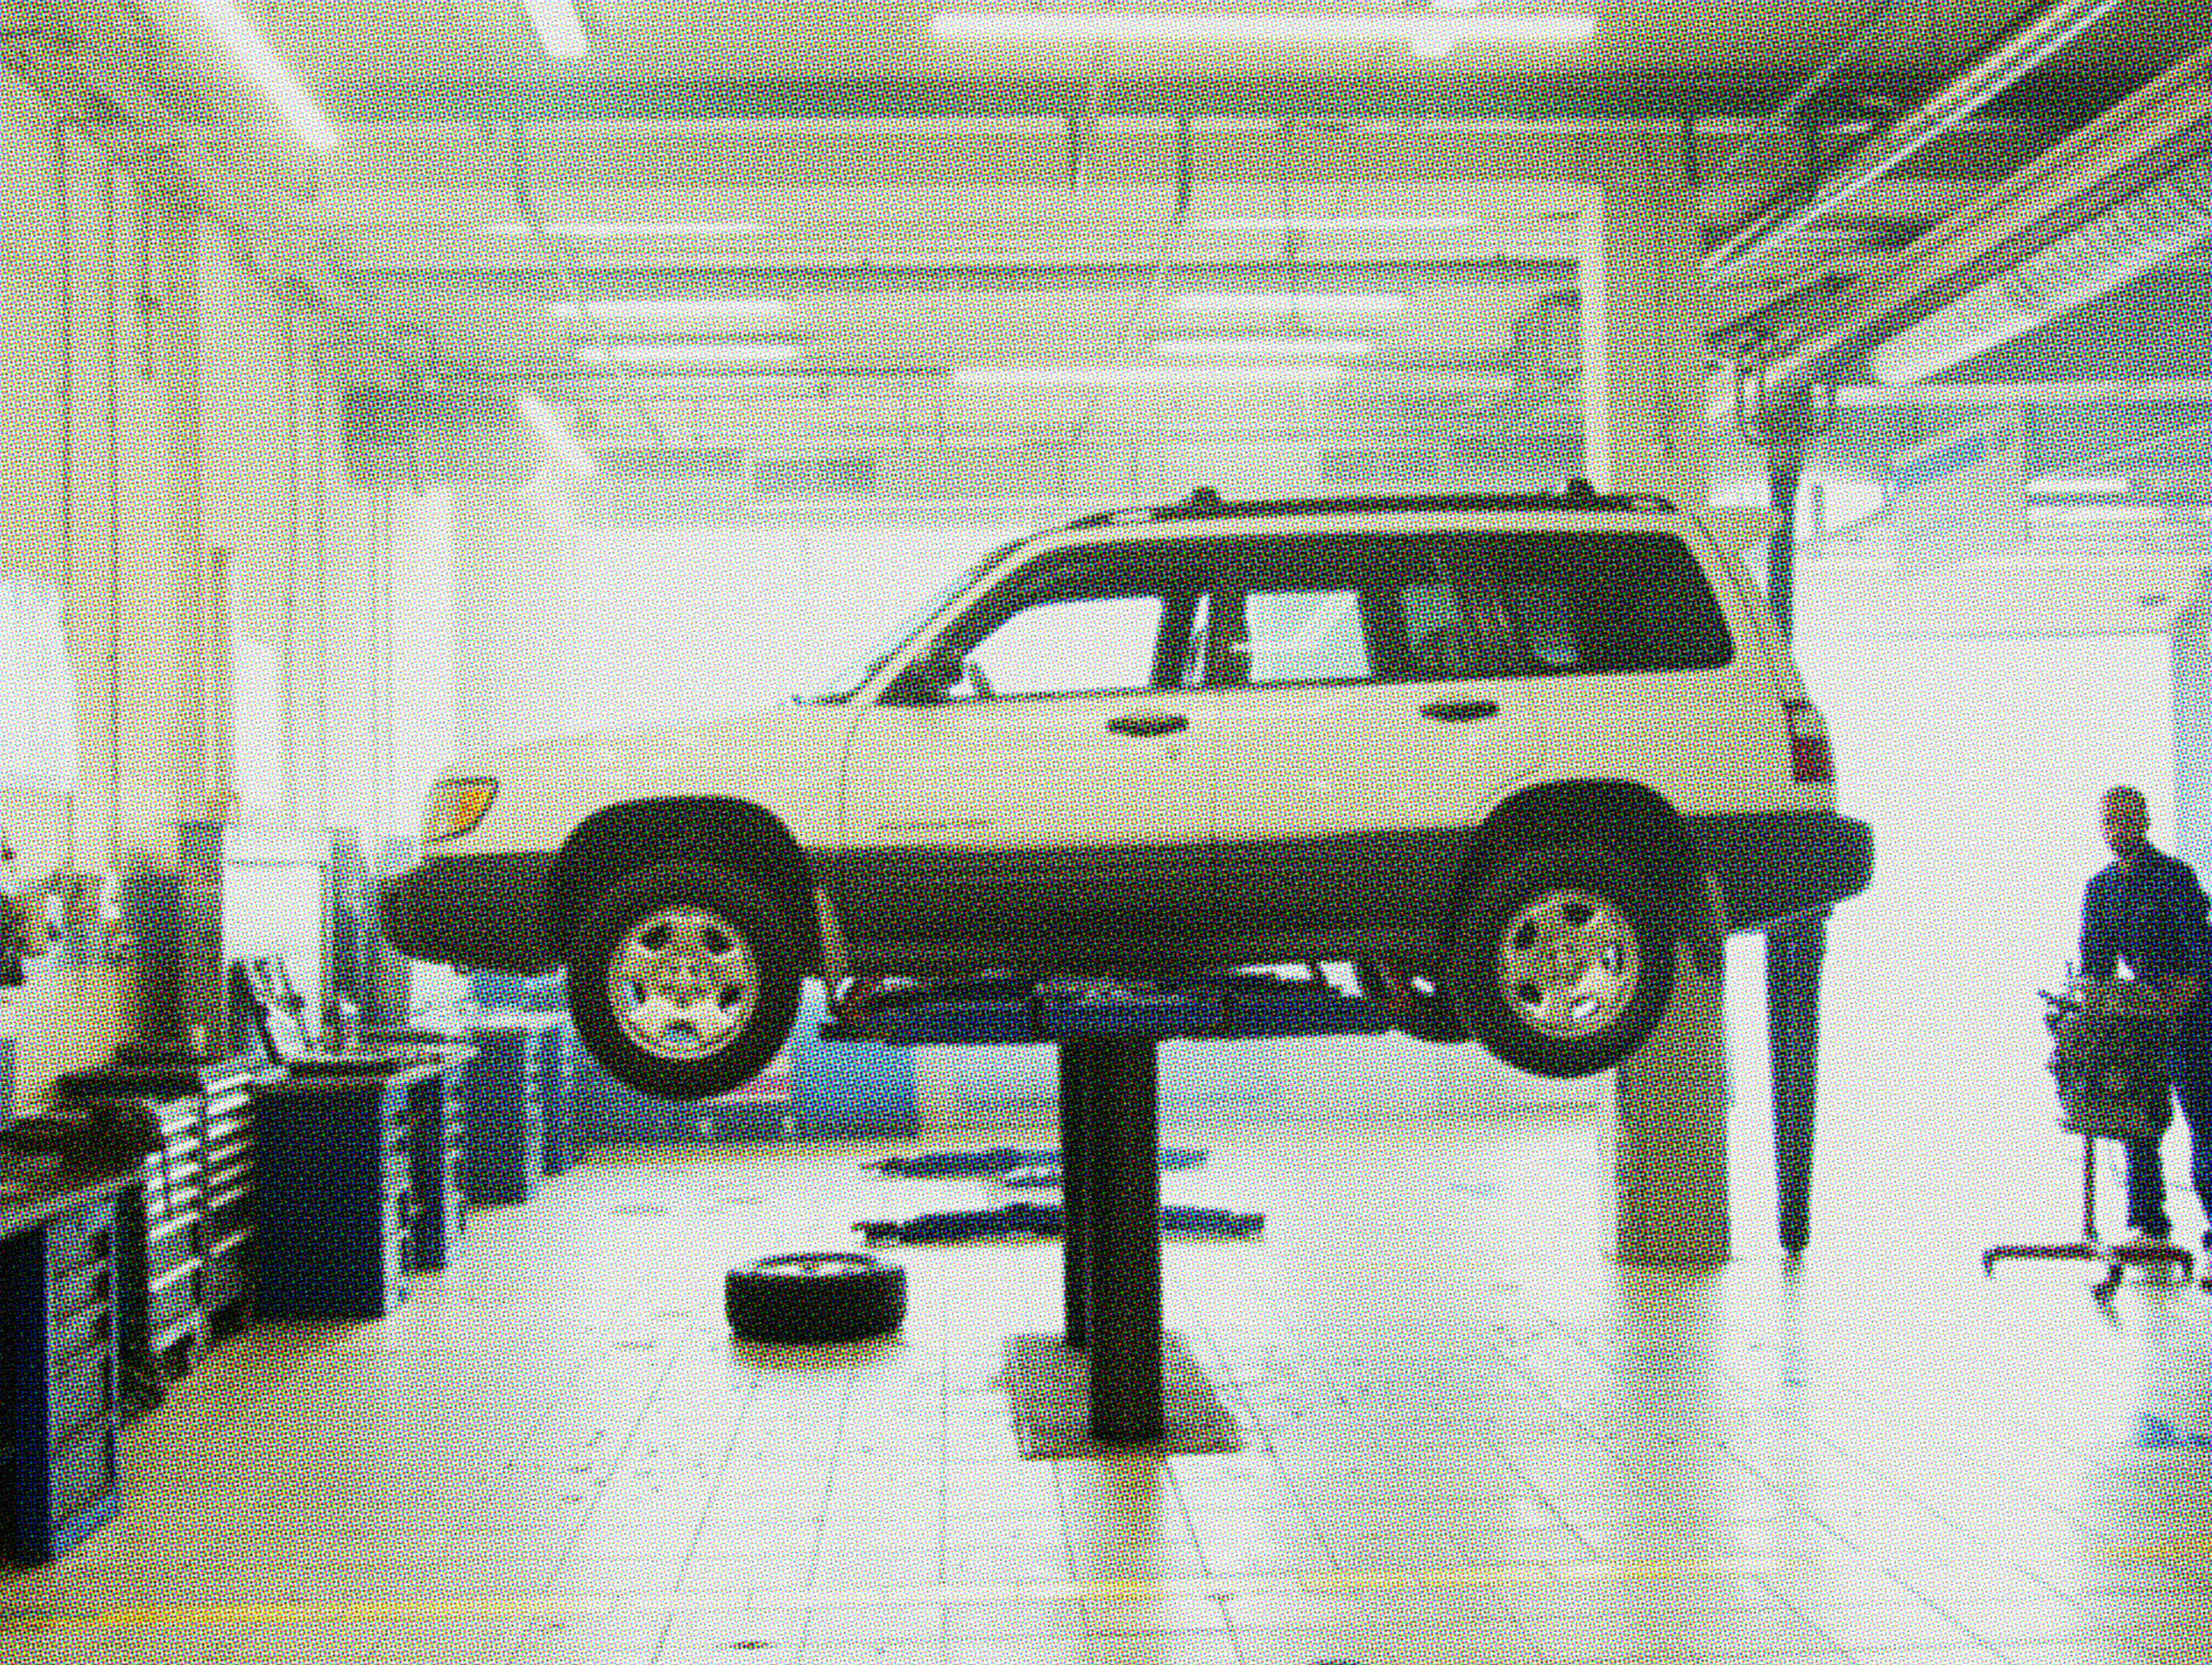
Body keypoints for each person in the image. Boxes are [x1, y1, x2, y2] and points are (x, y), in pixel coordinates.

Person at [2079, 785, 2212, 1280]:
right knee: (2137, 1123)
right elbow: (2096, 964)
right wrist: (2095, 997)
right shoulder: (2100, 888)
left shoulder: (2176, 877)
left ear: (2145, 820)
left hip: (2193, 1016)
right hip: (2139, 1021)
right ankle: (2149, 1228)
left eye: (2127, 817)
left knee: (2205, 1126)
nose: (2118, 828)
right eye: (2109, 820)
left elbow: (2200, 952)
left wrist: (2183, 991)